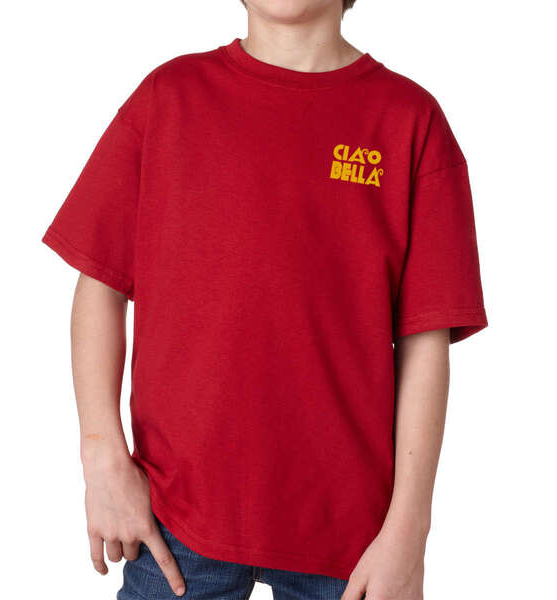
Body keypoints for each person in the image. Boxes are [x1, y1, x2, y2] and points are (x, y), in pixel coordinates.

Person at [42, 1, 488, 598]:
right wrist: (102, 460)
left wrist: (409, 530)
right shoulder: (169, 97)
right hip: (174, 518)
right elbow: (100, 283)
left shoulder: (410, 120)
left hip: (350, 537)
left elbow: (426, 342)